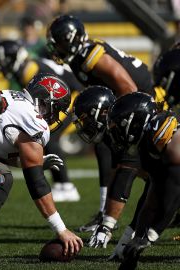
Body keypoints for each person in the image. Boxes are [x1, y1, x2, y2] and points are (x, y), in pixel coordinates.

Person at [46, 14, 160, 231]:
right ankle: (107, 212)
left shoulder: (91, 56)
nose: (55, 48)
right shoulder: (80, 58)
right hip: (139, 101)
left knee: (122, 153)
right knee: (126, 157)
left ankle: (107, 215)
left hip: (149, 101)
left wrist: (116, 119)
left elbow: (129, 89)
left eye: (58, 42)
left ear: (70, 39)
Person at [0, 75, 83, 265]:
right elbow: (36, 182)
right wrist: (61, 229)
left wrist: (26, 161)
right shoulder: (33, 119)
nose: (54, 116)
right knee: (0, 179)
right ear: (44, 100)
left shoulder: (13, 97)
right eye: (54, 108)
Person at [0, 39, 82, 202]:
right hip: (63, 98)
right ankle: (61, 184)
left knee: (48, 135)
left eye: (2, 62)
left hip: (72, 97)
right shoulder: (25, 68)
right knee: (42, 134)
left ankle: (66, 185)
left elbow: (55, 92)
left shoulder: (30, 69)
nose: (0, 67)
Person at [107, 93, 180, 269]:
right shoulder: (147, 147)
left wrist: (149, 237)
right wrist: (135, 242)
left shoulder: (162, 132)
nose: (115, 132)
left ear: (135, 121)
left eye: (120, 126)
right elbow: (152, 202)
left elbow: (175, 191)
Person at [72, 86, 149, 251]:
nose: (83, 124)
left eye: (85, 119)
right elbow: (116, 177)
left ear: (101, 113)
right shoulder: (113, 133)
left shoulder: (129, 128)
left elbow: (126, 177)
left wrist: (108, 226)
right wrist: (106, 218)